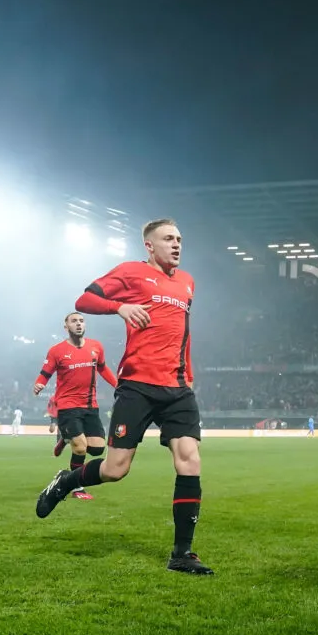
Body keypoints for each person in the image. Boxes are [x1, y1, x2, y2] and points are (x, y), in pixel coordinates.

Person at [33, 218, 212, 576]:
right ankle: (67, 481)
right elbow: (84, 299)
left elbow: (184, 334)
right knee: (116, 469)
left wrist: (188, 377)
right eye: (168, 239)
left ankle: (182, 553)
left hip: (177, 387)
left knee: (189, 460)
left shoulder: (187, 282)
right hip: (138, 385)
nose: (176, 244)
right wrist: (119, 307)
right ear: (149, 245)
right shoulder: (131, 273)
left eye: (179, 238)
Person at [34, 312, 119, 503]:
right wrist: (39, 384)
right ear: (66, 327)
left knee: (97, 449)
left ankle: (65, 438)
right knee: (80, 448)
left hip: (90, 405)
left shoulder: (95, 346)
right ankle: (77, 486)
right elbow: (45, 373)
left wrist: (118, 385)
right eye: (74, 321)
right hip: (67, 405)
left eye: (81, 321)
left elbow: (103, 368)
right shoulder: (57, 351)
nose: (78, 324)